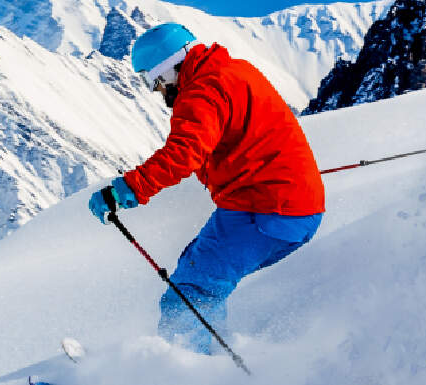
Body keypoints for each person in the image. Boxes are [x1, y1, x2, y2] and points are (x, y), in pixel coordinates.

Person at [87, 23, 327, 355]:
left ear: (171, 67)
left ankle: (193, 372)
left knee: (188, 297)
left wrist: (123, 191)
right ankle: (212, 359)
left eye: (154, 80)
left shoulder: (201, 92)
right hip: (293, 207)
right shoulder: (233, 70)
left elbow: (182, 155)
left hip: (265, 211)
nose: (158, 91)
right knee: (195, 272)